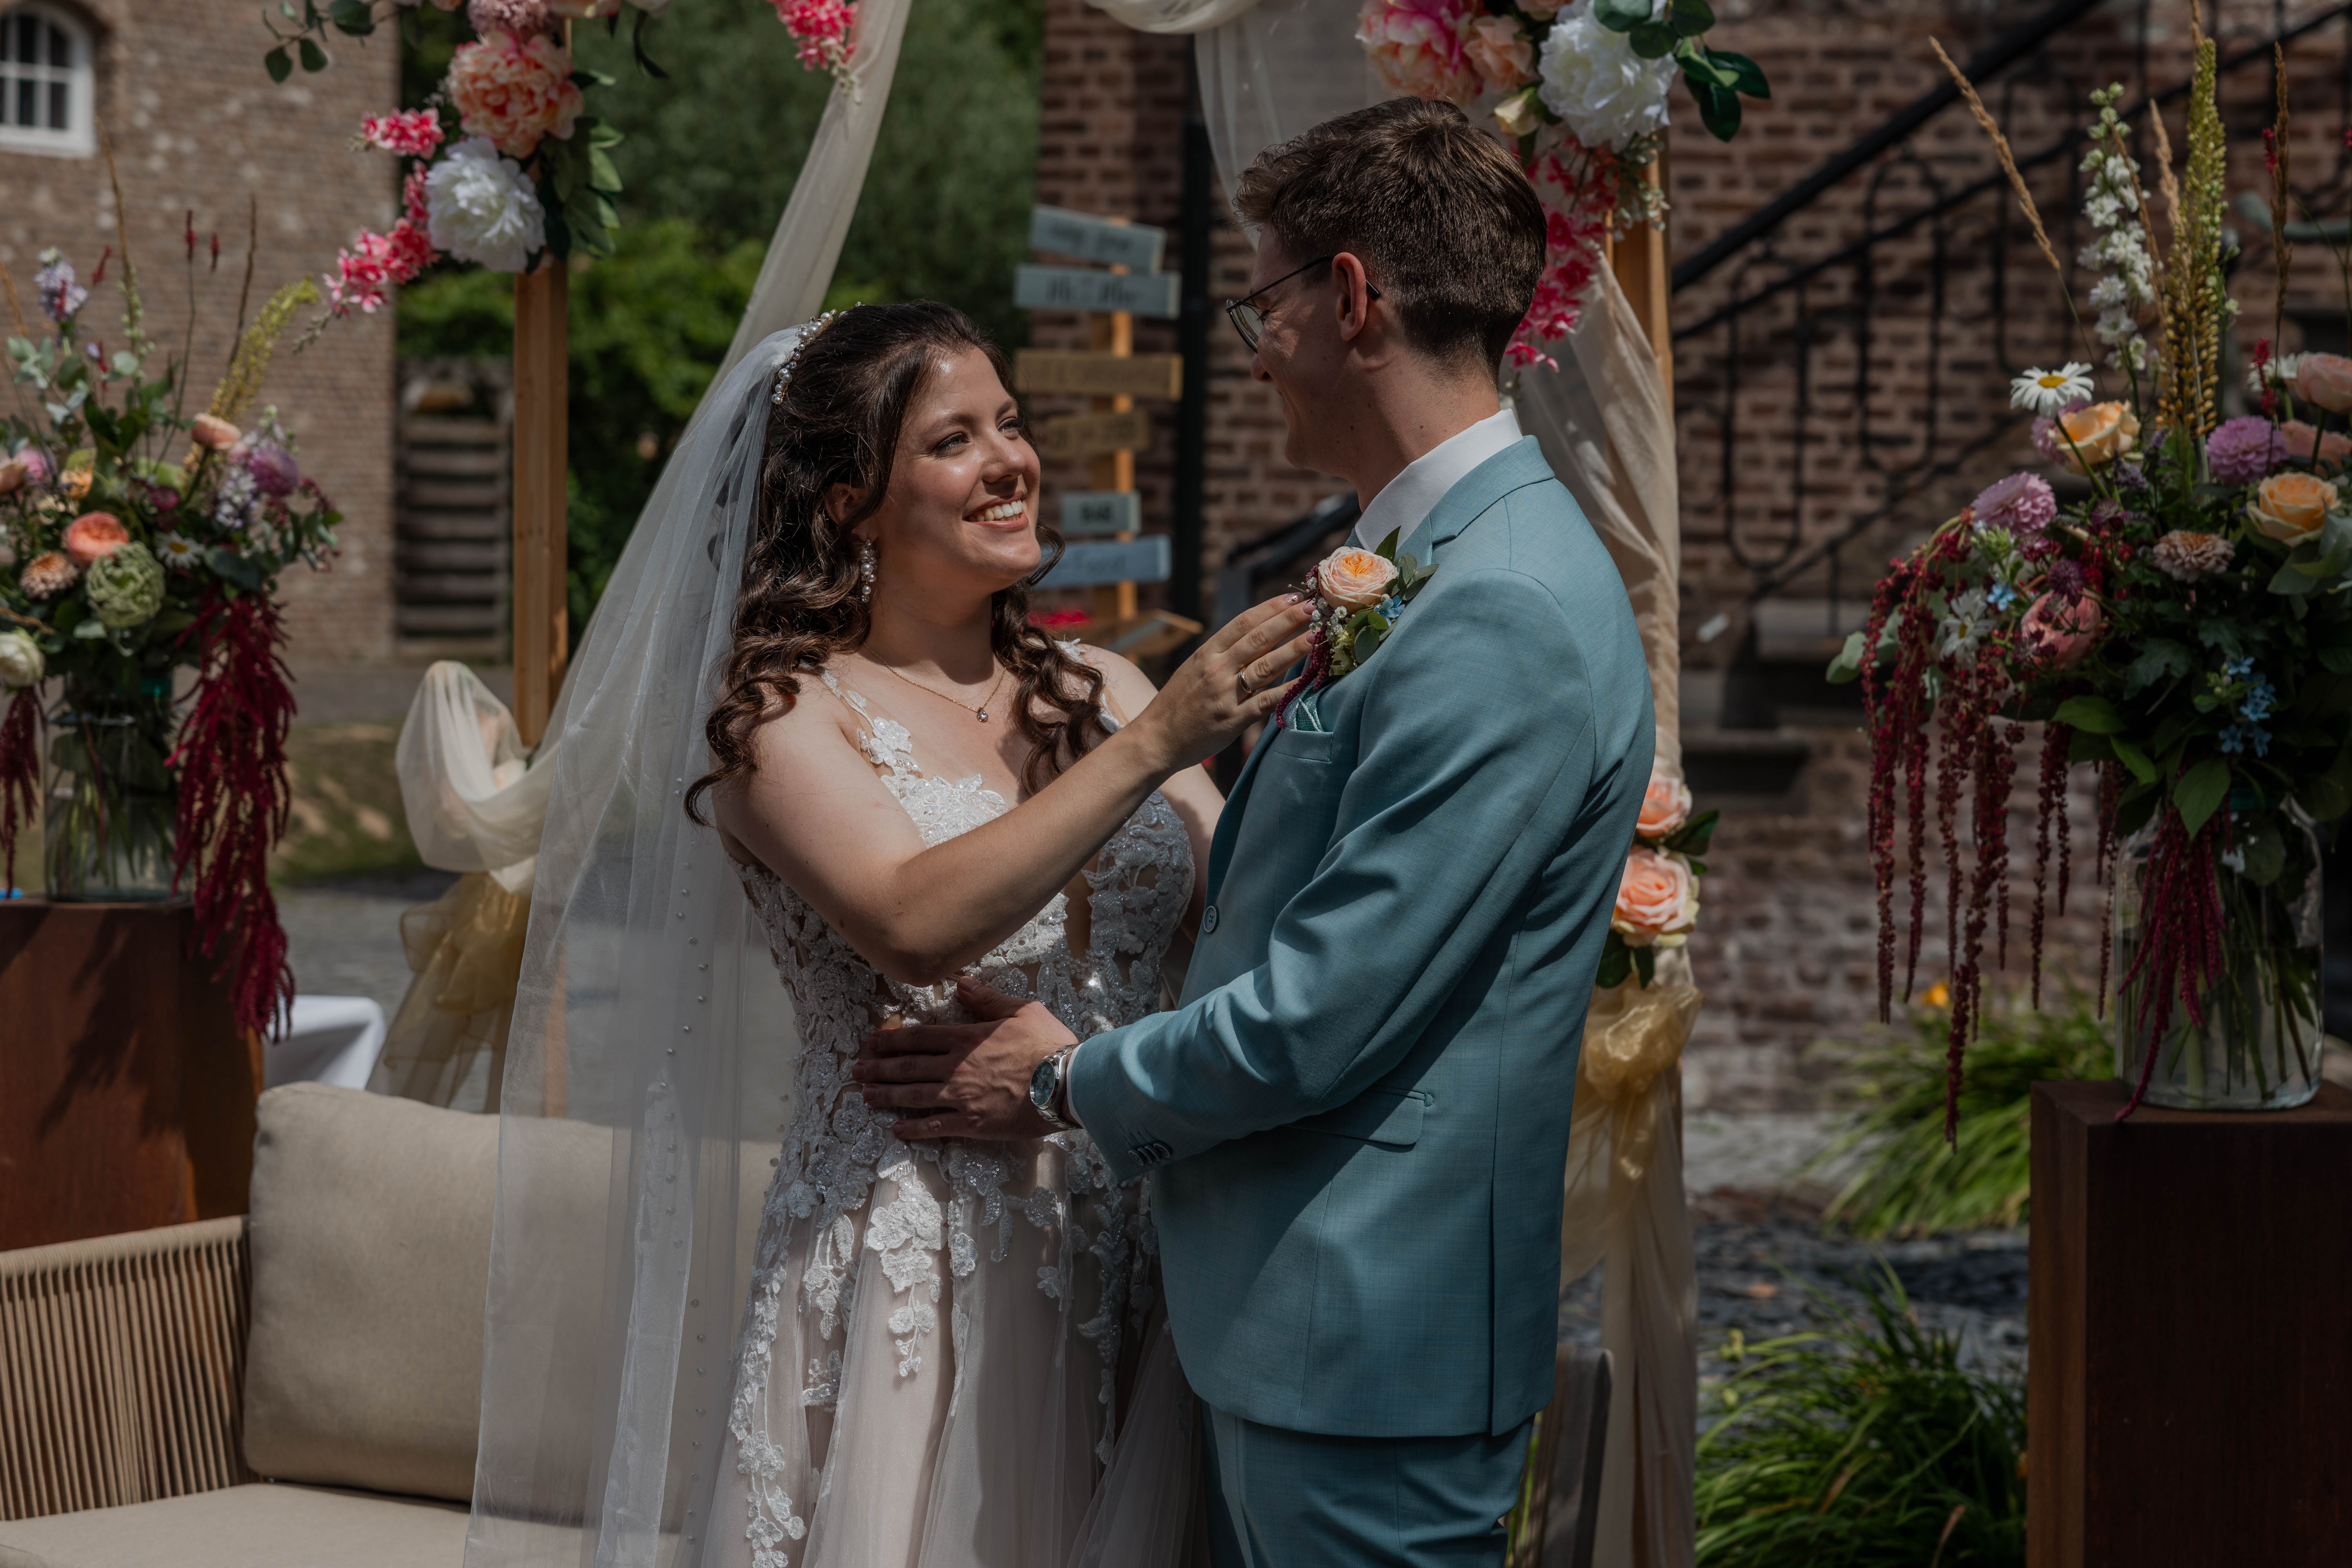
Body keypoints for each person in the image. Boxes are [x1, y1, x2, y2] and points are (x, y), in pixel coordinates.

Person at [857, 97, 1655, 1567]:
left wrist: (1064, 1078)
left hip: (1366, 1344)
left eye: (1263, 301)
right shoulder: (1427, 560)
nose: (1257, 344)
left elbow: (1324, 1012)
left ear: (1350, 298)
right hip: (1281, 1318)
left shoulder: (1502, 607)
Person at [681, 300, 1310, 1568]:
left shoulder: (1108, 687)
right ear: (848, 500)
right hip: (918, 1260)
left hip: (1133, 1235)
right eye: (955, 440)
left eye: (1011, 424)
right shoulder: (780, 719)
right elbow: (913, 920)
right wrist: (1156, 747)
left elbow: (1247, 932)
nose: (1012, 460)